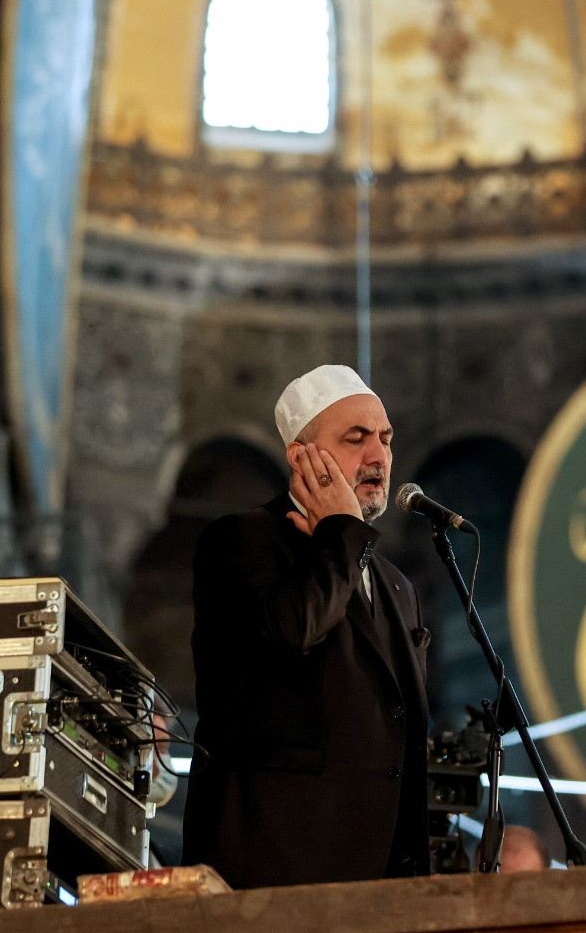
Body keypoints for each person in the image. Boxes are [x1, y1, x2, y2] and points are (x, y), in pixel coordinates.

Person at [182, 365, 431, 889]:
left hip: (380, 881)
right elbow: (293, 628)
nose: (378, 457)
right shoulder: (242, 540)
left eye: (384, 439)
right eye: (355, 438)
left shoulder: (396, 584)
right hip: (275, 866)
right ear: (301, 456)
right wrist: (340, 529)